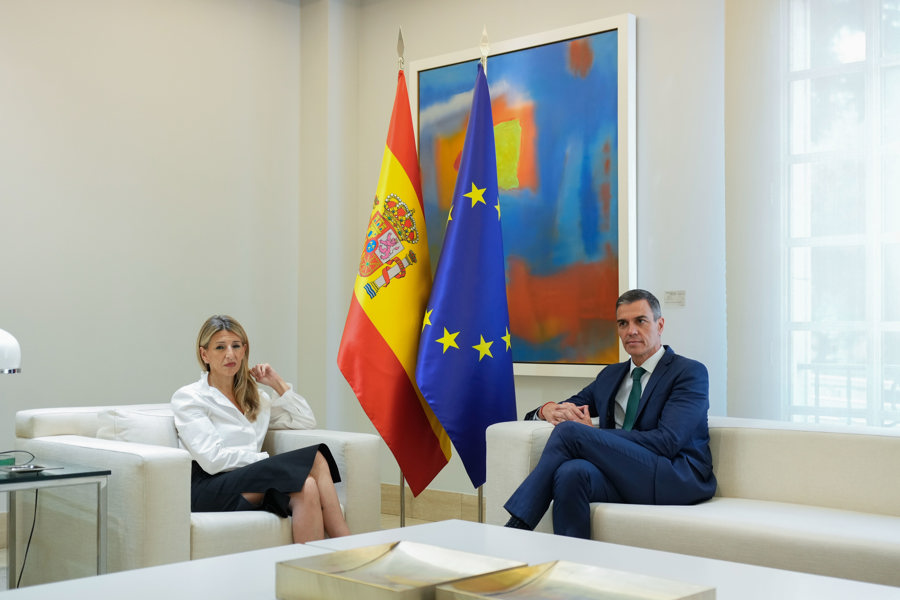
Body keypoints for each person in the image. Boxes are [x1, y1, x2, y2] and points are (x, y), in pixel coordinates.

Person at [503, 289, 716, 538]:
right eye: (623, 324)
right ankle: (571, 564)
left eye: (640, 321)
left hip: (673, 476)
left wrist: (596, 435)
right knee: (571, 472)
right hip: (624, 474)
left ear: (660, 325)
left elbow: (667, 442)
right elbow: (570, 407)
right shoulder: (610, 376)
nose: (631, 331)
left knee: (572, 432)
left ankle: (515, 530)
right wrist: (546, 409)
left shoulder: (688, 373)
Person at [171, 315, 350, 543]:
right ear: (204, 354)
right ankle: (348, 546)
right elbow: (212, 460)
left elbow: (305, 420)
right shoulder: (190, 397)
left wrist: (277, 382)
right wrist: (264, 462)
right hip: (209, 488)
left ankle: (308, 571)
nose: (230, 354)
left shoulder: (255, 398)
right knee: (314, 457)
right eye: (220, 347)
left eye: (236, 346)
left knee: (307, 486)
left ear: (244, 350)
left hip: (250, 482)